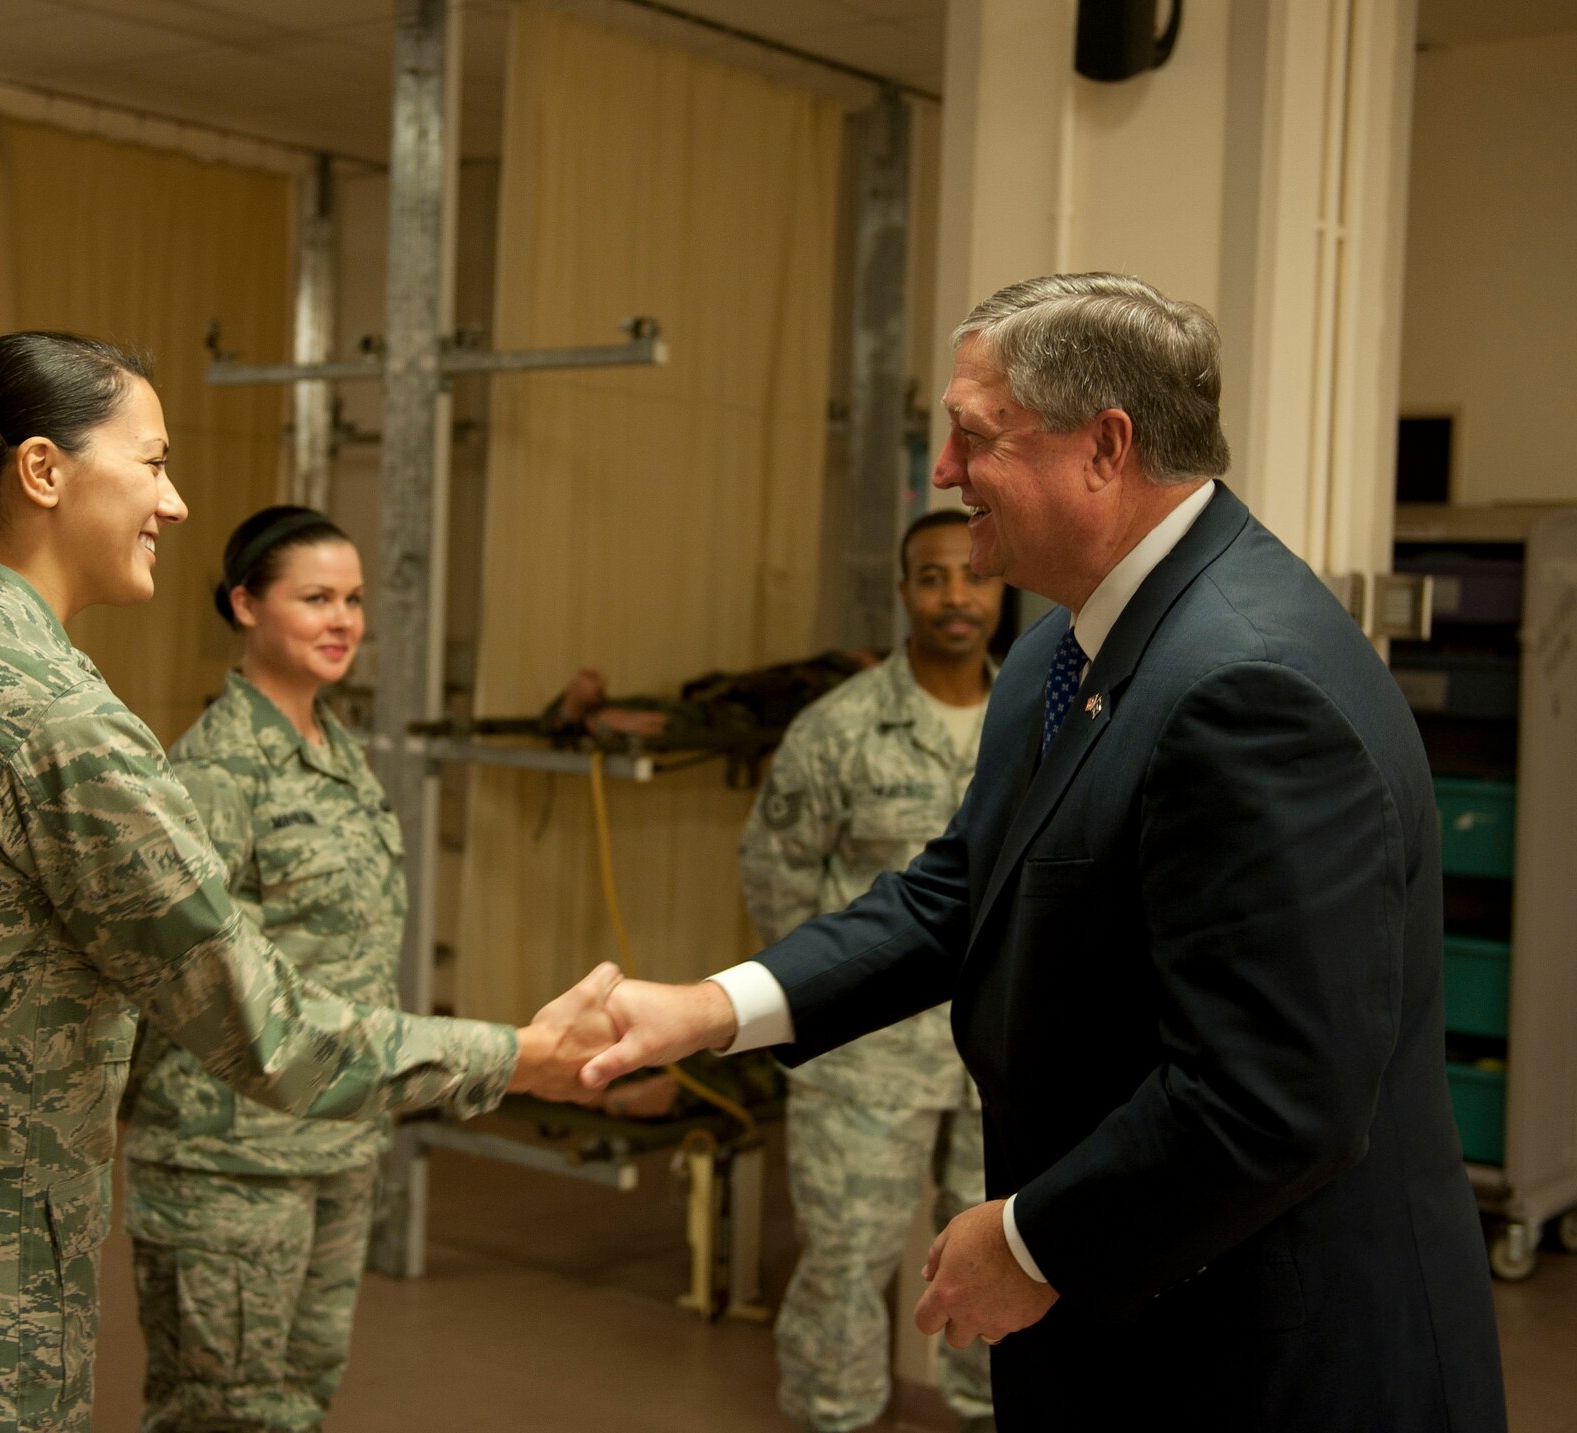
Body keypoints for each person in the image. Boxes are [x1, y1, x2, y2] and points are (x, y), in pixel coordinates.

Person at [580, 275, 1507, 1432]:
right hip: (1132, 1319)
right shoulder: (1063, 651)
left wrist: (1029, 1237)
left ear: (1103, 447)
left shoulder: (1247, 686)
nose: (942, 474)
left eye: (973, 436)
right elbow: (959, 891)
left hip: (1260, 1353)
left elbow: (1274, 1097)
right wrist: (713, 1008)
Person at [0, 332, 615, 1433]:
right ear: (43, 471)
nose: (174, 504)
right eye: (151, 462)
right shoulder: (54, 719)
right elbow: (259, 1024)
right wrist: (515, 1056)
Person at [119, 506, 402, 1431]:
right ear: (245, 604)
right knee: (224, 1411)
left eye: (354, 599)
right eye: (314, 597)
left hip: (335, 1135)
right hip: (230, 1160)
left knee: (301, 1396)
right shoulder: (214, 774)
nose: (342, 620)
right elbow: (164, 973)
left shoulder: (336, 751)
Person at [739, 509, 1001, 1433]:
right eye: (932, 577)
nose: (955, 595)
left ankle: (987, 1416)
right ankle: (835, 1417)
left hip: (1000, 1065)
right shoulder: (838, 729)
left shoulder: (1041, 723)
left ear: (1001, 586)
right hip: (866, 1062)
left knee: (1006, 1271)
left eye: (972, 575)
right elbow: (777, 875)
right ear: (903, 591)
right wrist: (827, 1005)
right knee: (847, 1265)